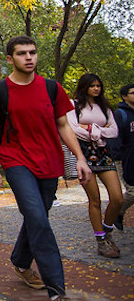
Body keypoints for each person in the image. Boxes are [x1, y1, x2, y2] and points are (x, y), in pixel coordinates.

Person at [0, 35, 91, 301]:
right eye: (21, 53)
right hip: (16, 161)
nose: (29, 57)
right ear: (10, 59)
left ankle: (19, 258)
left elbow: (64, 125)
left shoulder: (52, 88)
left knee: (38, 216)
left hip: (49, 161)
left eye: (32, 52)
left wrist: (80, 158)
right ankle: (56, 290)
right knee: (38, 219)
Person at [67, 73, 121, 257]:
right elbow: (72, 129)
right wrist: (98, 132)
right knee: (95, 199)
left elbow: (114, 131)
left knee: (117, 198)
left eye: (98, 85)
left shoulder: (104, 107)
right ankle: (101, 240)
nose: (96, 89)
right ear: (85, 87)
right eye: (92, 86)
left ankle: (107, 229)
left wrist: (91, 129)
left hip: (103, 155)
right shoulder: (73, 105)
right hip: (83, 155)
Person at [109, 83, 134, 231]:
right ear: (124, 96)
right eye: (133, 93)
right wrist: (117, 157)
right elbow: (114, 137)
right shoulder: (120, 114)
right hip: (125, 159)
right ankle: (117, 211)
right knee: (132, 192)